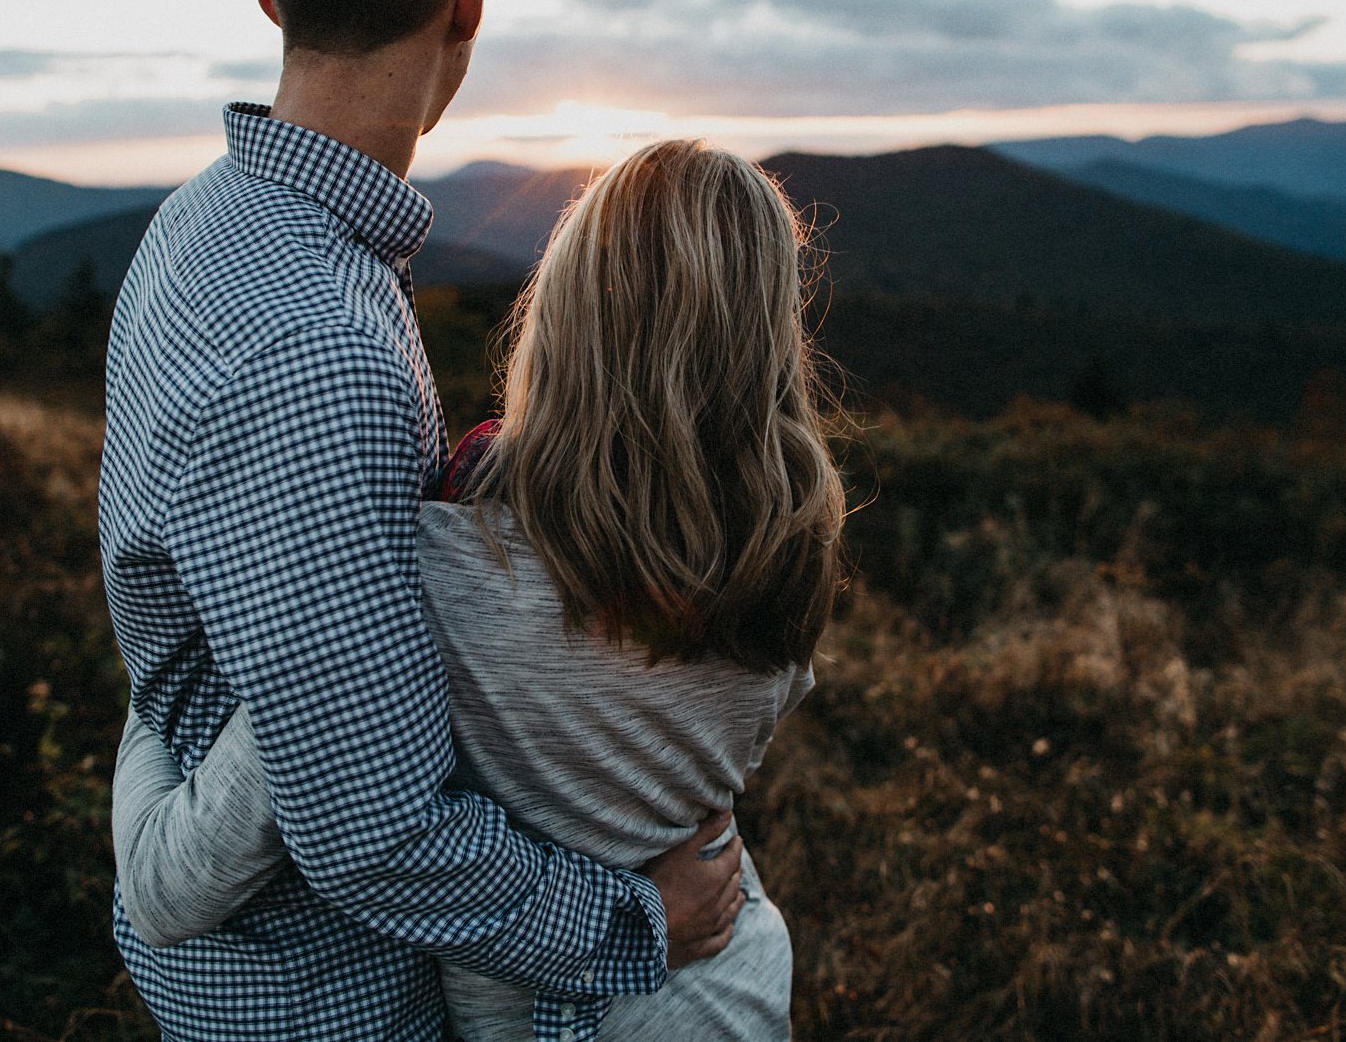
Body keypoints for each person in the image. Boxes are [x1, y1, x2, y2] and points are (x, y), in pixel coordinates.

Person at [98, 0, 745, 1042]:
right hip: (319, 992)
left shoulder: (199, 222)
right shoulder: (324, 350)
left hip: (234, 925)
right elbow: (375, 829)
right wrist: (636, 925)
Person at [113, 138, 847, 1039]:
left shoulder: (434, 581)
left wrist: (178, 669)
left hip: (566, 1015)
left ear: (567, 311)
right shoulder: (780, 578)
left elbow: (169, 883)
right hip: (737, 985)